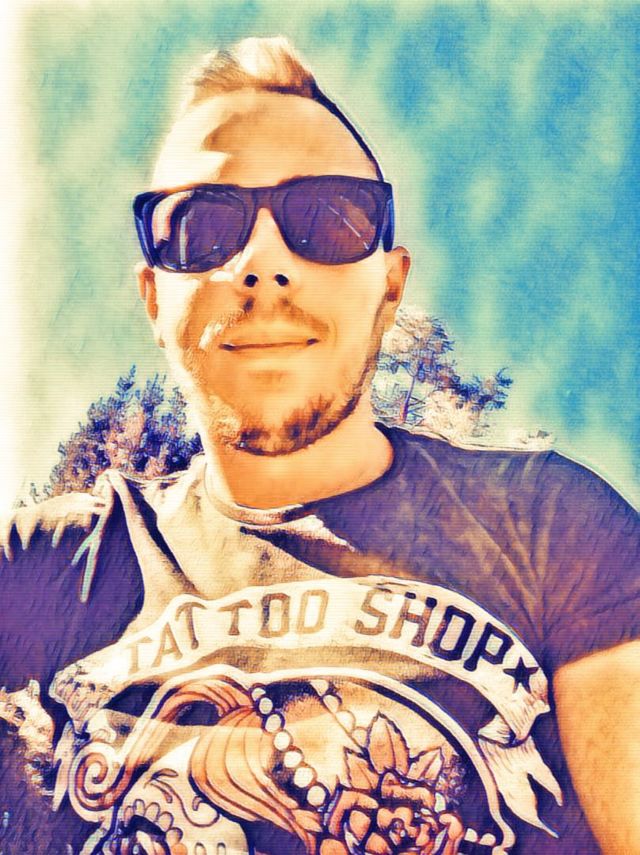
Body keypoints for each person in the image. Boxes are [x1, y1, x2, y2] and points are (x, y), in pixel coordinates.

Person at [0, 36, 638, 855]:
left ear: (389, 288)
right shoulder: (47, 564)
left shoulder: (553, 525)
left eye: (329, 219)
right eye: (202, 225)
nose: (261, 262)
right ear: (155, 298)